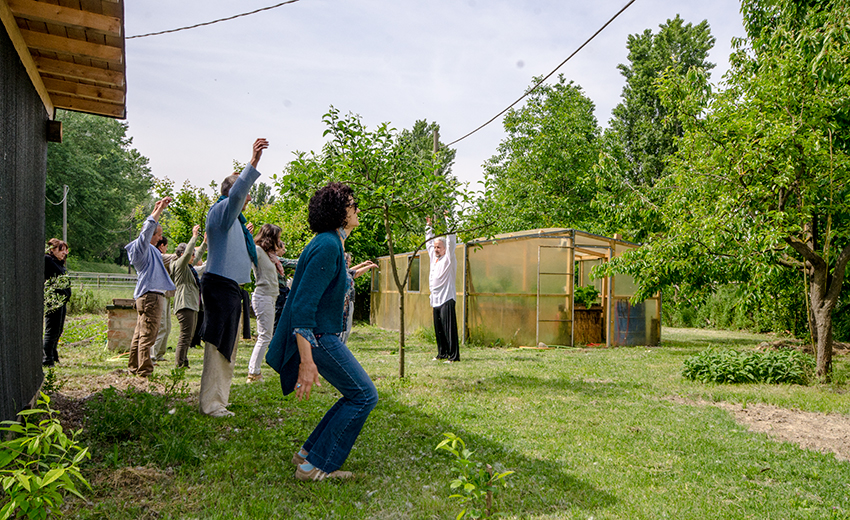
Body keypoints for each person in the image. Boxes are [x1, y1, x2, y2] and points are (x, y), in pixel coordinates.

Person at [266, 182, 378, 482]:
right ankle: (315, 466)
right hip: (317, 337)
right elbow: (302, 307)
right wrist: (306, 361)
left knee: (356, 394)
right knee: (364, 396)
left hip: (320, 335)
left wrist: (352, 273)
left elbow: (329, 284)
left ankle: (307, 454)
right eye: (352, 204)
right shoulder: (328, 245)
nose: (357, 209)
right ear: (339, 212)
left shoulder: (329, 243)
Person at [198, 138, 268, 417]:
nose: (248, 192)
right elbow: (238, 194)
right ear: (231, 191)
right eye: (243, 186)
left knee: (228, 345)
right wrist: (252, 163)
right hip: (219, 286)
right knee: (218, 346)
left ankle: (219, 400)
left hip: (229, 287)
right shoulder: (222, 210)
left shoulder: (234, 220)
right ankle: (211, 404)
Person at [125, 197, 176, 378]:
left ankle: (134, 367)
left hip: (147, 296)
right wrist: (159, 210)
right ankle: (145, 371)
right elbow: (146, 230)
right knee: (149, 335)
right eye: (158, 234)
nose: (160, 237)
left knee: (140, 335)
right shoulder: (142, 248)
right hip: (151, 297)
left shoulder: (153, 250)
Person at [246, 224, 286, 383]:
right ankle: (253, 374)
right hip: (263, 297)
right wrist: (247, 235)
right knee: (264, 336)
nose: (280, 240)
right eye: (278, 237)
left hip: (270, 297)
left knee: (265, 336)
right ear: (271, 237)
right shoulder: (258, 251)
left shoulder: (270, 255)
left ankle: (254, 372)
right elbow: (245, 249)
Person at [170, 225, 206, 369]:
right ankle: (179, 364)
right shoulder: (179, 265)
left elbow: (196, 255)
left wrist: (205, 243)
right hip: (184, 304)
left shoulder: (189, 267)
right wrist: (194, 236)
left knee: (190, 335)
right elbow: (188, 255)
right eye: (191, 254)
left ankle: (184, 361)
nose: (194, 257)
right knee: (185, 336)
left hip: (191, 304)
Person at [426, 216, 459, 363]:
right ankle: (442, 353)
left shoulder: (449, 259)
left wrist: (448, 220)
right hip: (436, 298)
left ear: (445, 248)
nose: (436, 249)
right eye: (435, 247)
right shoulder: (434, 259)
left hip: (447, 298)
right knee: (438, 329)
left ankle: (453, 356)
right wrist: (429, 227)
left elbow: (452, 241)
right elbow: (428, 244)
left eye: (439, 247)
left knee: (449, 329)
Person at [43, 238, 71, 367]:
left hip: (61, 301)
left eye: (65, 250)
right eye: (61, 250)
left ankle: (53, 355)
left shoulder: (59, 263)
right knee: (52, 330)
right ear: (52, 250)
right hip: (53, 300)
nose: (64, 253)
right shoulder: (48, 260)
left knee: (58, 330)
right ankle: (46, 359)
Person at [339, 253, 377, 344]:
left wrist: (362, 264)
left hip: (344, 302)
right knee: (345, 327)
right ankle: (341, 344)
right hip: (346, 302)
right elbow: (356, 273)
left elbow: (351, 270)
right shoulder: (343, 272)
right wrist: (370, 267)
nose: (350, 264)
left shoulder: (342, 270)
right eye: (348, 261)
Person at [152, 236, 176, 363]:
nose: (167, 249)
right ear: (162, 246)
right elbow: (177, 256)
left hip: (166, 295)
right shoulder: (160, 257)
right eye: (166, 246)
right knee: (161, 326)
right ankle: (153, 355)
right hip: (160, 295)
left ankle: (160, 354)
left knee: (167, 326)